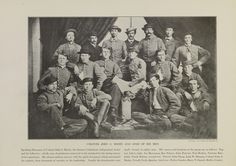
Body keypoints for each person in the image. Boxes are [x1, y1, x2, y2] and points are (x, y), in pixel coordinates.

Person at [96, 47, 123, 126]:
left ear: (110, 53)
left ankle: (113, 111)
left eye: (107, 52)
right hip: (99, 83)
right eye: (104, 52)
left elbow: (120, 74)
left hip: (109, 83)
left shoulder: (113, 64)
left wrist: (115, 77)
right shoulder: (96, 63)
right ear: (101, 53)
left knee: (116, 86)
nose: (105, 53)